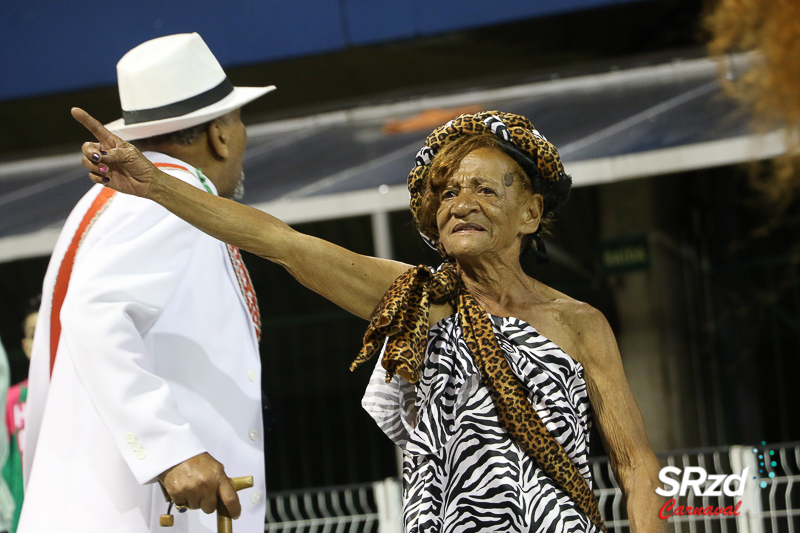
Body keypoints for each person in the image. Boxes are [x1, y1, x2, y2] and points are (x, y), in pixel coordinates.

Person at [75, 108, 665, 532]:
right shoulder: (417, 299)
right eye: (447, 193)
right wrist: (154, 184)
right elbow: (283, 243)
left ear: (531, 212)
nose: (459, 202)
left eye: (485, 189)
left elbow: (637, 464)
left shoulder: (583, 324)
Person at [22, 33, 274, 533]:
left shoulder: (112, 201)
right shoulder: (169, 198)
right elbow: (93, 313)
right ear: (220, 133)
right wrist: (169, 449)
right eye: (239, 121)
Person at [1, 296, 39, 533]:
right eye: (35, 335)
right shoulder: (12, 398)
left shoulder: (79, 393)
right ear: (25, 346)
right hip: (25, 513)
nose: (42, 341)